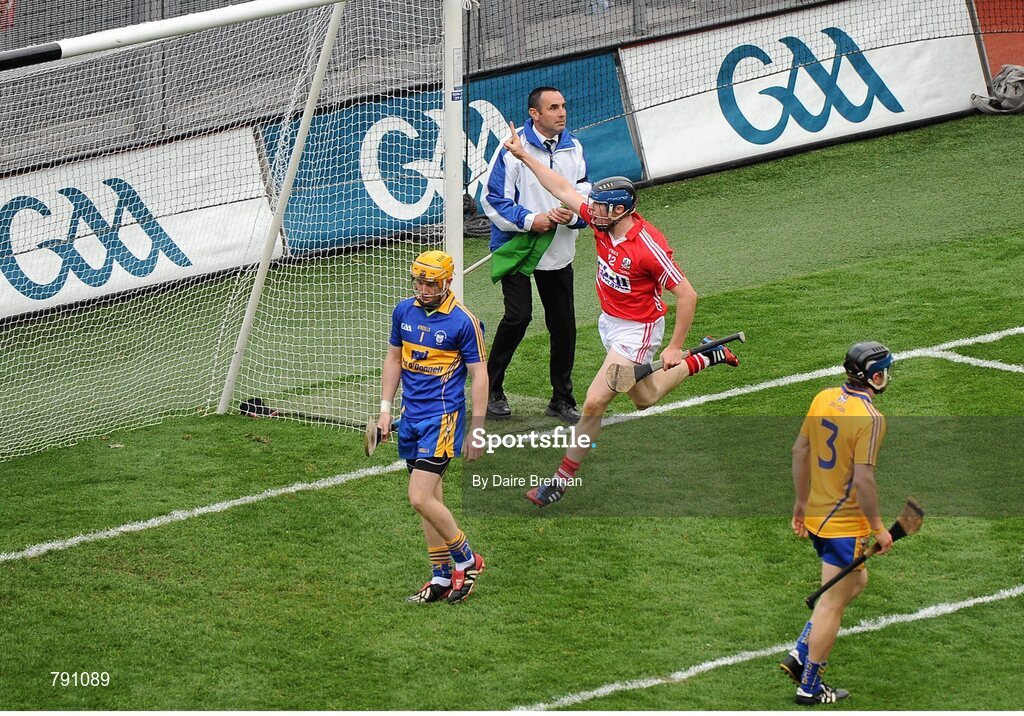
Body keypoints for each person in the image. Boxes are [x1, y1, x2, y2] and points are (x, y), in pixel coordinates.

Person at [500, 124, 740, 507]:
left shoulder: (648, 246)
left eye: (599, 205)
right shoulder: (600, 222)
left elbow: (687, 294)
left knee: (595, 402)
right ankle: (706, 355)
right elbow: (562, 188)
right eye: (592, 203)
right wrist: (524, 155)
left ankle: (560, 481)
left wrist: (675, 346)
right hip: (611, 324)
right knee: (646, 397)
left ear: (620, 210)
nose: (590, 209)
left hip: (638, 332)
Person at [780, 341, 895, 704]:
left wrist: (800, 502)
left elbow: (800, 450)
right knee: (831, 602)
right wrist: (878, 528)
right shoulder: (872, 419)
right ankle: (810, 685)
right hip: (843, 525)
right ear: (875, 377)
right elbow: (863, 480)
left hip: (816, 514)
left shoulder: (823, 397)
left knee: (856, 581)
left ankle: (800, 652)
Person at [377, 250, 488, 604]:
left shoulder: (464, 322)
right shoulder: (403, 311)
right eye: (419, 282)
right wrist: (384, 409)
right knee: (431, 500)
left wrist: (478, 429)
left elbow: (480, 376)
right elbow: (394, 358)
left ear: (447, 282)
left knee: (419, 496)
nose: (423, 289)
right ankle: (440, 576)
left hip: (442, 419)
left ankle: (468, 560)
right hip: (410, 418)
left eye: (431, 283)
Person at [481, 86, 591, 424]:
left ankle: (562, 398)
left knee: (564, 325)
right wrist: (532, 220)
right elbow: (491, 200)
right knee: (518, 317)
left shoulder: (574, 147)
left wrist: (571, 216)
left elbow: (583, 192)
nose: (561, 113)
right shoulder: (512, 149)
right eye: (553, 107)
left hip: (557, 250)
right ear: (535, 114)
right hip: (516, 247)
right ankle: (490, 390)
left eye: (563, 106)